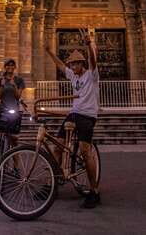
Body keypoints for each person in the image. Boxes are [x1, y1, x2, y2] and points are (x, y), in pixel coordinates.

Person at [43, 27, 101, 208]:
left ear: (81, 64)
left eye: (75, 64)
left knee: (85, 151)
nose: (72, 67)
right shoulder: (72, 76)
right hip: (74, 114)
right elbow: (60, 66)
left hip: (87, 115)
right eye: (72, 64)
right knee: (57, 146)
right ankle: (52, 183)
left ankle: (94, 191)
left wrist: (89, 44)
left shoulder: (91, 76)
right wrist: (50, 52)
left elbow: (93, 60)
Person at [0, 58, 25, 150]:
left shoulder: (19, 80)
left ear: (15, 67)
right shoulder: (0, 80)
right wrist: (3, 85)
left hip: (13, 109)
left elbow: (18, 96)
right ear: (5, 67)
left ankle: (16, 162)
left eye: (12, 65)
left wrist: (14, 85)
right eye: (8, 65)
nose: (10, 67)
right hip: (2, 108)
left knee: (13, 140)